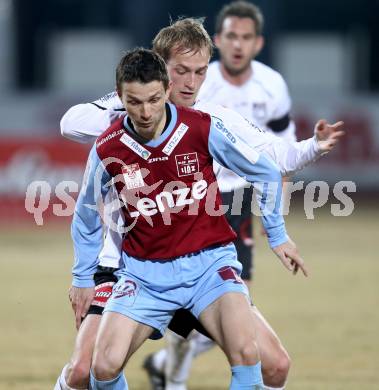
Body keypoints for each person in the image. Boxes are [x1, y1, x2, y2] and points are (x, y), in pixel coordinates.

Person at [56, 19, 344, 390]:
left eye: (199, 72)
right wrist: (135, 101)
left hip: (201, 262)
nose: (191, 83)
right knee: (85, 372)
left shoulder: (210, 121)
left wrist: (313, 147)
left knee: (275, 366)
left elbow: (273, 160)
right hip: (128, 266)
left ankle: (170, 374)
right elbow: (70, 125)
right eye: (180, 72)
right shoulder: (120, 128)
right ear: (159, 69)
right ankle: (167, 375)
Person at [147, 2, 301, 388]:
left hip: (238, 200)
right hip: (195, 203)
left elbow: (280, 149)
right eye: (231, 35)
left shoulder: (272, 84)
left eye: (246, 37)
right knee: (216, 310)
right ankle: (173, 369)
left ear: (258, 43)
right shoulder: (197, 78)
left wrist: (275, 213)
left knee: (234, 306)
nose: (238, 44)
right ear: (219, 40)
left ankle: (169, 364)